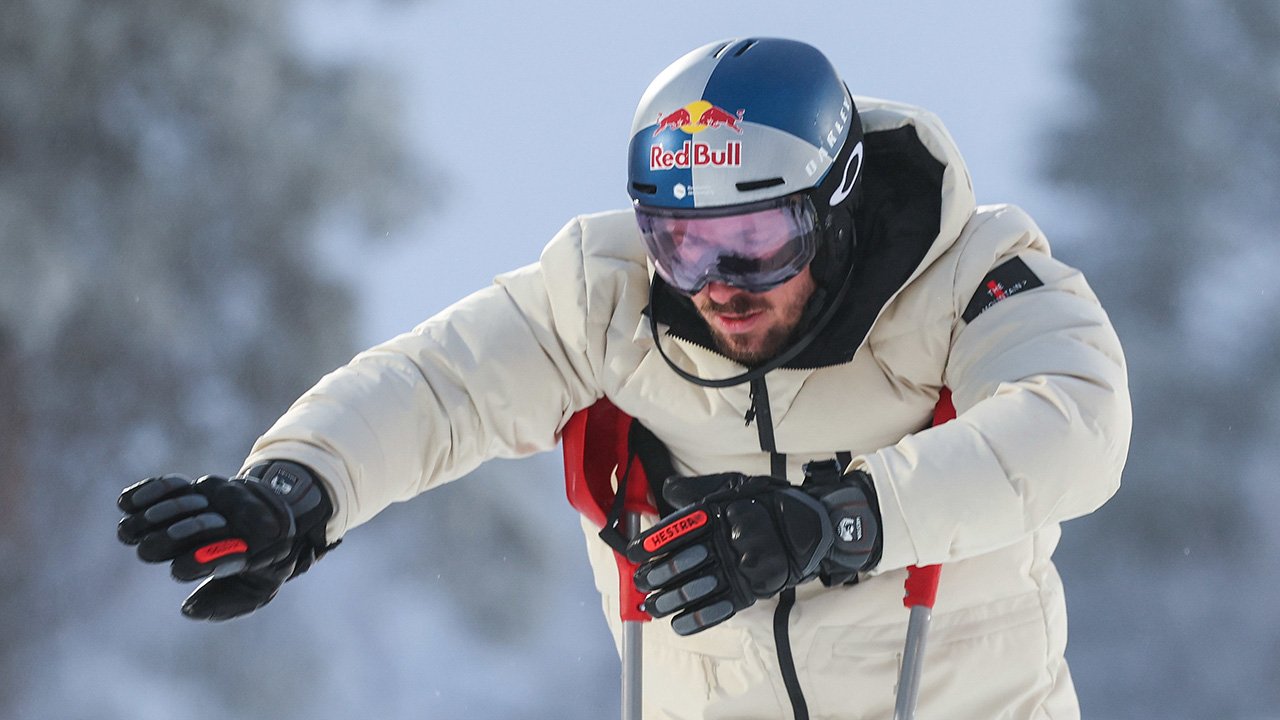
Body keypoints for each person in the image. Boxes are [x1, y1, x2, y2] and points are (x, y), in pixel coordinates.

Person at [117, 38, 1132, 719]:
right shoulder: (606, 301)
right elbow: (438, 385)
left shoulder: (969, 281)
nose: (718, 287)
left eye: (754, 240)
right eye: (682, 243)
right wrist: (298, 490)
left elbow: (1074, 425)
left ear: (836, 205)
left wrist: (839, 519)